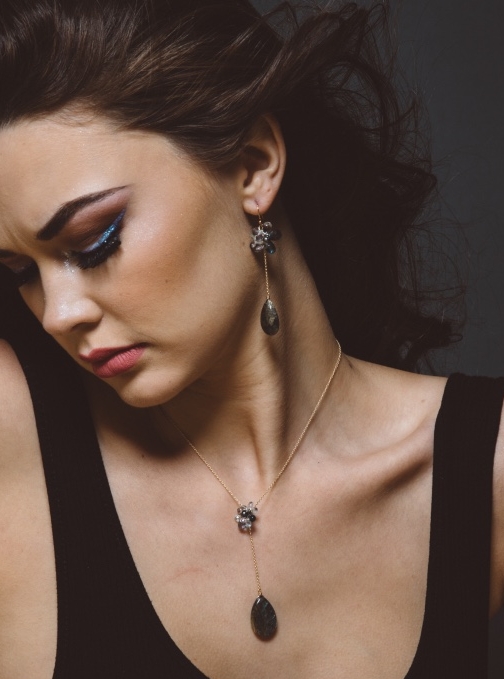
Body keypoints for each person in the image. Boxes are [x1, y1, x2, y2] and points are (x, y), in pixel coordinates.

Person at [0, 0, 502, 677]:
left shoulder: (486, 474)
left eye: (96, 242)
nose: (56, 313)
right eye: (22, 272)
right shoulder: (17, 434)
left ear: (253, 164)